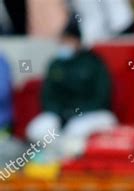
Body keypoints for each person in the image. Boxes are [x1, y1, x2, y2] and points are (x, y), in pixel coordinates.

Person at [26, 17, 117, 160]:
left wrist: (76, 113)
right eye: (63, 41)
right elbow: (47, 96)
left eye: (68, 40)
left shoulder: (94, 63)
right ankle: (55, 161)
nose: (65, 45)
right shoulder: (56, 64)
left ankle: (71, 164)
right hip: (61, 115)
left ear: (78, 41)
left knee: (75, 131)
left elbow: (102, 97)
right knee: (38, 129)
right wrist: (61, 114)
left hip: (91, 114)